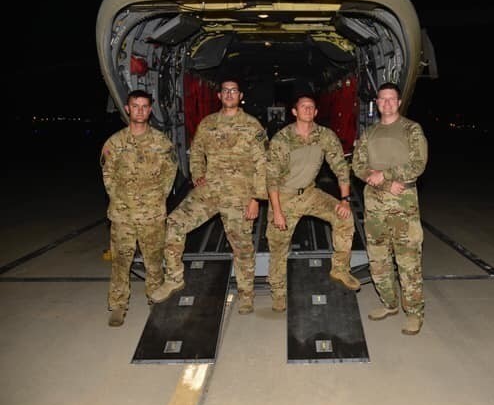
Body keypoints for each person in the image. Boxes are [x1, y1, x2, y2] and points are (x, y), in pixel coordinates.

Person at [150, 79, 268, 315]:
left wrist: (256, 198)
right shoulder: (208, 123)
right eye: (225, 90)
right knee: (174, 223)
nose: (229, 94)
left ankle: (246, 295)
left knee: (242, 247)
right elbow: (196, 151)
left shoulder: (252, 126)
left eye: (234, 90)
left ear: (240, 95)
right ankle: (174, 278)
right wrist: (198, 175)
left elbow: (263, 164)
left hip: (239, 196)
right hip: (210, 192)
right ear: (219, 96)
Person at [266, 94, 360, 312]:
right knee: (278, 247)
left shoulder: (325, 136)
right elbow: (271, 178)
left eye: (311, 107)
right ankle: (278, 293)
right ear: (294, 112)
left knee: (344, 218)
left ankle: (340, 269)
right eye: (303, 106)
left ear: (316, 112)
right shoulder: (282, 139)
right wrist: (277, 211)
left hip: (309, 194)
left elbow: (340, 167)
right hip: (284, 197)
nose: (308, 110)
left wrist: (345, 200)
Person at [352, 82, 428, 335]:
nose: (386, 103)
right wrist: (377, 178)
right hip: (374, 205)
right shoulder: (369, 133)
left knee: (408, 261)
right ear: (377, 102)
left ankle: (414, 313)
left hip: (402, 204)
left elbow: (417, 164)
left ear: (398, 102)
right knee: (379, 259)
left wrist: (384, 174)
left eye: (391, 99)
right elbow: (357, 164)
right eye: (382, 99)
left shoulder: (411, 130)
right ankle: (390, 303)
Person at [100, 89, 178, 327]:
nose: (140, 110)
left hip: (152, 215)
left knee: (154, 262)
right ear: (127, 108)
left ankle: (155, 300)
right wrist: (122, 200)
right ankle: (118, 306)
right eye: (136, 106)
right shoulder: (114, 143)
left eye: (145, 106)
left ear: (150, 110)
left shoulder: (161, 143)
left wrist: (156, 199)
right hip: (123, 215)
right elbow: (108, 176)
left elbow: (170, 173)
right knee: (121, 263)